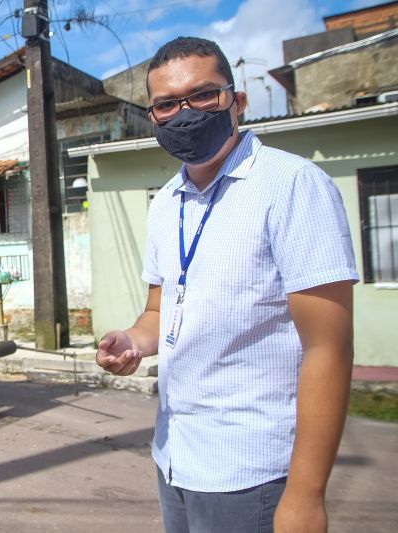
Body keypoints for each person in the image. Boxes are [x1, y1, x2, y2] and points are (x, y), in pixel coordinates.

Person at [95, 36, 358, 533]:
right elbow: (159, 311)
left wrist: (305, 497)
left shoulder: (292, 185)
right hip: (175, 455)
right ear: (153, 119)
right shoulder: (165, 202)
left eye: (202, 95)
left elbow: (329, 348)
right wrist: (131, 341)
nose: (185, 112)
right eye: (167, 104)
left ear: (236, 102)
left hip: (253, 470)